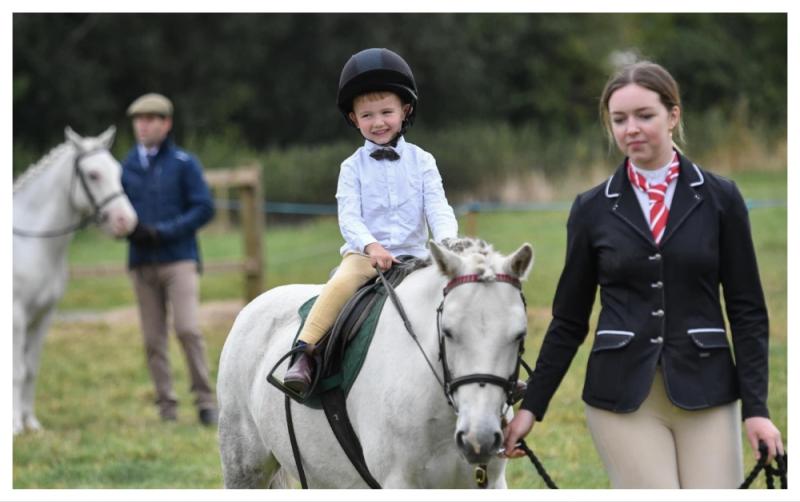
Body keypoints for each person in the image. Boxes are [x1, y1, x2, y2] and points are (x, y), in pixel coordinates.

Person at [502, 61, 783, 488]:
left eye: (644, 116)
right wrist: (531, 407)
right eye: (619, 119)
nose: (631, 128)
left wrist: (758, 410)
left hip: (708, 390)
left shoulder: (722, 198)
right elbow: (569, 320)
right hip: (621, 399)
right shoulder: (591, 209)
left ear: (673, 115)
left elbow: (747, 311)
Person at [282, 48, 458, 393]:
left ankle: (483, 366)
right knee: (339, 285)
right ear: (353, 119)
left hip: (416, 257)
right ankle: (304, 352)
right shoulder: (351, 168)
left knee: (462, 292)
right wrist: (370, 245)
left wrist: (448, 242)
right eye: (367, 115)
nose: (378, 122)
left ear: (405, 111)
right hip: (365, 258)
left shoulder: (423, 161)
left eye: (386, 112)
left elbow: (438, 208)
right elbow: (348, 217)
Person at [121, 93, 218, 426]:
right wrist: (127, 230)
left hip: (179, 260)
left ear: (166, 123)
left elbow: (204, 207)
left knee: (188, 329)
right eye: (139, 119)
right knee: (152, 339)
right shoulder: (127, 166)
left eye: (150, 119)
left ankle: (206, 401)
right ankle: (167, 407)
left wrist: (163, 231)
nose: (143, 125)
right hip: (141, 263)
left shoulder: (183, 163)